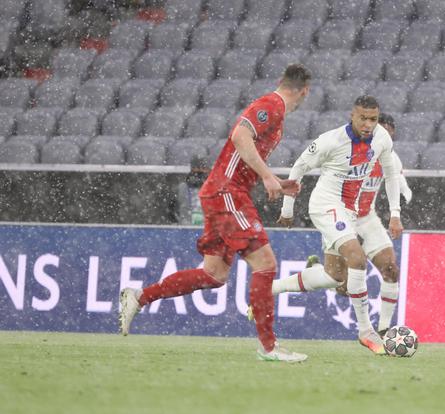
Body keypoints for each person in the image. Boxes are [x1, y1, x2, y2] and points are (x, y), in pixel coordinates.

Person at [119, 64, 312, 363]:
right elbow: (240, 136)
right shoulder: (271, 105)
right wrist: (267, 177)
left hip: (222, 191)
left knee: (214, 274)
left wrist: (273, 179)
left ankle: (140, 297)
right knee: (265, 264)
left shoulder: (276, 111)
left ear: (281, 80)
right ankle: (269, 346)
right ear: (305, 91)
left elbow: (244, 153)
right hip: (226, 191)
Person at [276, 96, 403, 355]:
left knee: (335, 277)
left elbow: (391, 175)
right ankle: (366, 331)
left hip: (351, 211)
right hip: (324, 204)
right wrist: (287, 209)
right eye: (363, 118)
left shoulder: (381, 139)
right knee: (356, 259)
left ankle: (272, 288)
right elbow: (299, 167)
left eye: (373, 119)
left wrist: (395, 213)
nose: (368, 124)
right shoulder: (331, 140)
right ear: (352, 116)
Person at [175, 156, 210, 225]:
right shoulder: (182, 187)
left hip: (208, 230)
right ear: (192, 169)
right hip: (186, 229)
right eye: (196, 168)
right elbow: (173, 208)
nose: (200, 170)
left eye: (203, 168)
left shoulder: (214, 188)